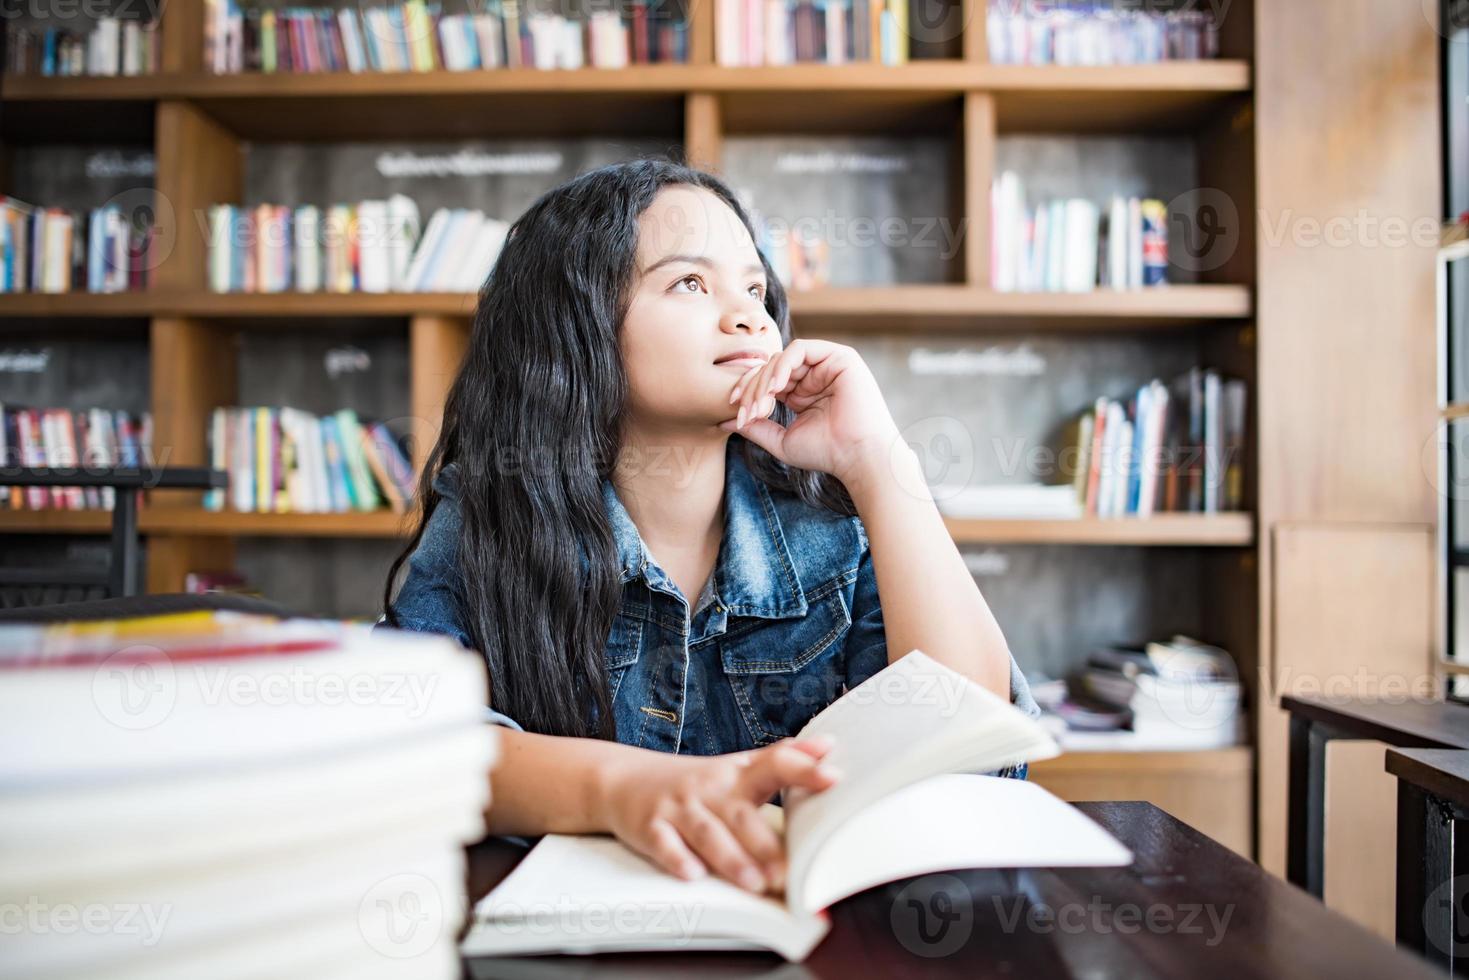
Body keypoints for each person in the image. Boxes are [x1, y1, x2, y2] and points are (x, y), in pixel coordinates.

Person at [379, 157, 1038, 898]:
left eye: (754, 288)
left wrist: (879, 463)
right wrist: (623, 789)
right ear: (573, 325)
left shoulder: (836, 524)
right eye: (689, 283)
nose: (748, 315)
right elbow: (409, 745)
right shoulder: (488, 518)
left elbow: (970, 750)